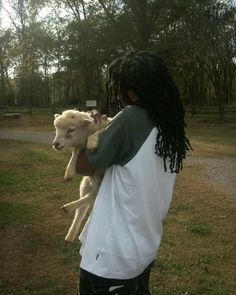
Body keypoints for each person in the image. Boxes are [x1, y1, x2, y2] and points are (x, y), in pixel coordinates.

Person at [75, 50, 191, 294]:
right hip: (143, 247)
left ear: (132, 91)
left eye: (119, 87)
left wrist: (88, 133)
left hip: (110, 257)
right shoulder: (169, 124)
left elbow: (83, 166)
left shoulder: (131, 118)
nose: (116, 94)